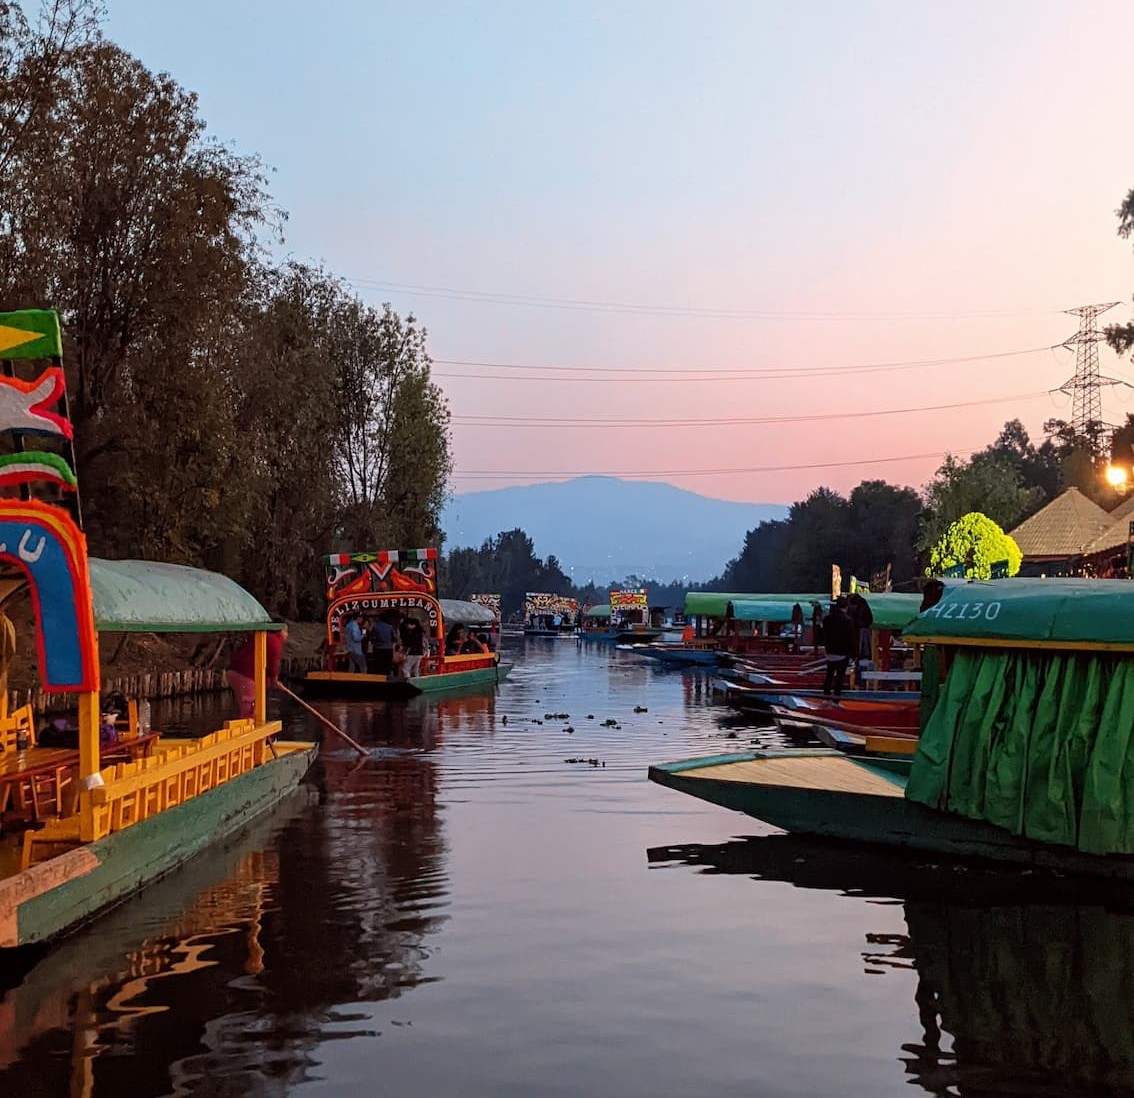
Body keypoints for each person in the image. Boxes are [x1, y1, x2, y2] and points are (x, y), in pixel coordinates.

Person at [228, 623, 289, 717]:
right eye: (286, 631)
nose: (287, 635)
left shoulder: (263, 636)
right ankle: (249, 728)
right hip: (247, 675)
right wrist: (275, 679)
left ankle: (248, 724)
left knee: (250, 706)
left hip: (235, 672)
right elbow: (274, 664)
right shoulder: (274, 641)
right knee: (250, 708)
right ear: (280, 631)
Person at [821, 597, 855, 698]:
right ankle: (836, 698)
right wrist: (853, 653)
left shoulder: (827, 619)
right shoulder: (848, 620)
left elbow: (823, 634)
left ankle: (825, 696)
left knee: (829, 675)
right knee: (840, 676)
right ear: (846, 607)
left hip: (830, 651)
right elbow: (850, 638)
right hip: (843, 653)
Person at [846, 592, 874, 663]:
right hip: (863, 626)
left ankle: (857, 655)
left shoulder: (852, 607)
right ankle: (864, 655)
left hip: (856, 627)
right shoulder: (864, 605)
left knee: (858, 642)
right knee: (864, 642)